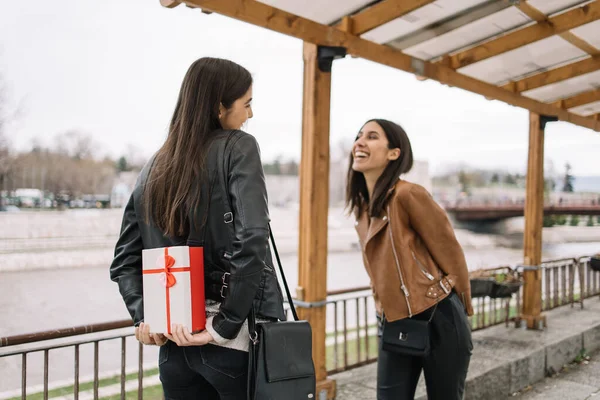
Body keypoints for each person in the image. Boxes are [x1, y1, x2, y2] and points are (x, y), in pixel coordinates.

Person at [109, 57, 285, 399]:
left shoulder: (152, 167)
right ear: (220, 106)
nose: (250, 115)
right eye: (247, 104)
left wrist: (146, 318)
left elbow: (124, 261)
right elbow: (252, 237)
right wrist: (224, 324)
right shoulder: (239, 146)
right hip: (231, 343)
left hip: (173, 346)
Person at [346, 119, 474, 399]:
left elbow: (450, 251)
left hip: (437, 315)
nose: (360, 142)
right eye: (358, 136)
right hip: (393, 320)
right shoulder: (363, 210)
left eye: (372, 136)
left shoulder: (407, 194)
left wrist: (462, 307)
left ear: (394, 153)